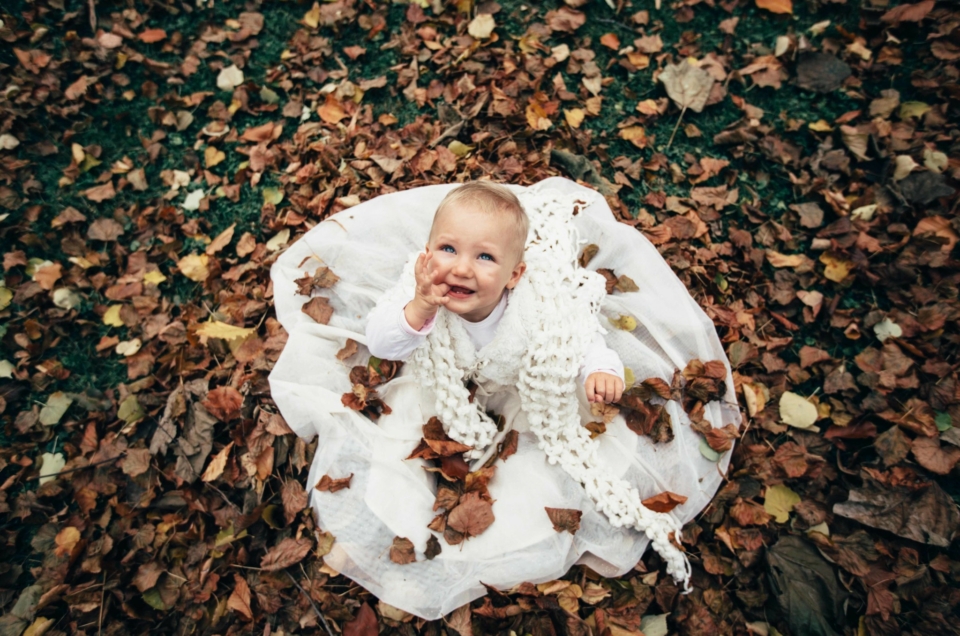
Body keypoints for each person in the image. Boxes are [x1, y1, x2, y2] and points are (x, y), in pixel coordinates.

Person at [268, 177, 741, 620]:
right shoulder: (422, 290)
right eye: (448, 249)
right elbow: (385, 342)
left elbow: (582, 338)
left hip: (524, 387)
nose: (460, 268)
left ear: (514, 275)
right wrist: (419, 307)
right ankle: (406, 544)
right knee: (397, 448)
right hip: (443, 383)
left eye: (484, 258)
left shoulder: (540, 306)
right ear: (428, 253)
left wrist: (602, 370)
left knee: (550, 469)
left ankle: (499, 550)